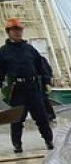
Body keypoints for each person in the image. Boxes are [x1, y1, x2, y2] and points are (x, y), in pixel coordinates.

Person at [0, 18, 54, 153]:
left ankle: (49, 140)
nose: (18, 33)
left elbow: (41, 66)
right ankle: (17, 145)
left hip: (33, 88)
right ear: (8, 32)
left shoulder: (30, 49)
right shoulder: (3, 52)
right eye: (15, 30)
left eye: (19, 30)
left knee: (41, 117)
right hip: (17, 90)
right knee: (17, 120)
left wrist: (46, 81)